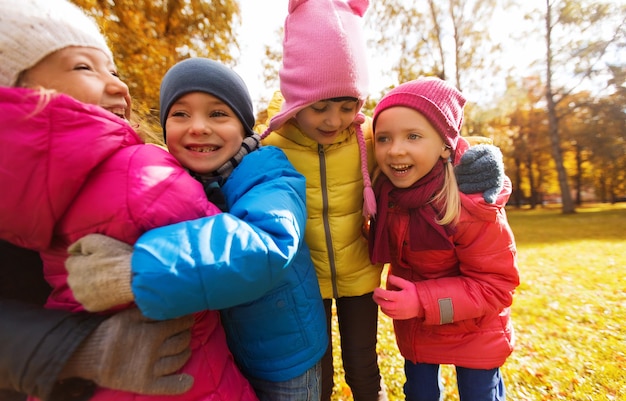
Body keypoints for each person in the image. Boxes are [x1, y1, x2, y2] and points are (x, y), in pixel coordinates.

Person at [0, 1, 259, 400]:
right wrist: (76, 347)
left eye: (115, 70)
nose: (120, 86)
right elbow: (253, 252)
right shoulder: (141, 169)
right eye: (84, 67)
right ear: (17, 90)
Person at [256, 0, 505, 400]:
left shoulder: (372, 137)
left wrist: (480, 166)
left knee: (362, 363)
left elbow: (432, 146)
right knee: (314, 369)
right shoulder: (270, 144)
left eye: (348, 105)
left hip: (359, 273)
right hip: (303, 279)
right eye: (319, 107)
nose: (334, 120)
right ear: (296, 96)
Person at [66, 57, 327, 401]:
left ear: (244, 126)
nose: (198, 127)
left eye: (218, 114)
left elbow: (267, 241)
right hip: (226, 352)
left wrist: (136, 269)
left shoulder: (271, 174)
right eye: (181, 114)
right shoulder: (176, 181)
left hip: (284, 358)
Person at [368, 77, 520, 401]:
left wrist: (421, 300)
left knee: (480, 394)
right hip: (419, 329)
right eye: (383, 138)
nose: (395, 149)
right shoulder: (385, 195)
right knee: (420, 393)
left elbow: (496, 285)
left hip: (475, 328)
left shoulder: (472, 205)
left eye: (413, 136)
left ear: (445, 145)